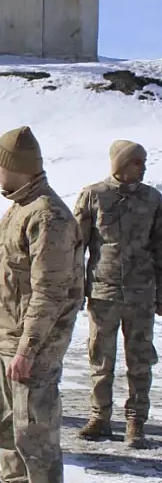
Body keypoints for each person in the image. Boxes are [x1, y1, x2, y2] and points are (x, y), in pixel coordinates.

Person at [0, 126, 83, 483]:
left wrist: (27, 348)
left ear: (17, 167)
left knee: (35, 436)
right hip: (7, 344)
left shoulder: (47, 216)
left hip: (31, 351)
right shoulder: (20, 208)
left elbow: (49, 293)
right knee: (6, 429)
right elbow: (8, 281)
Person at [74, 139, 162, 449]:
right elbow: (77, 248)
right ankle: (100, 418)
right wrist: (76, 291)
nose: (143, 166)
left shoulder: (153, 200)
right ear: (120, 164)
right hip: (103, 292)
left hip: (141, 294)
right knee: (101, 358)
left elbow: (161, 249)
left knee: (140, 360)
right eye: (137, 161)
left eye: (144, 161)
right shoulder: (94, 196)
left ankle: (136, 423)